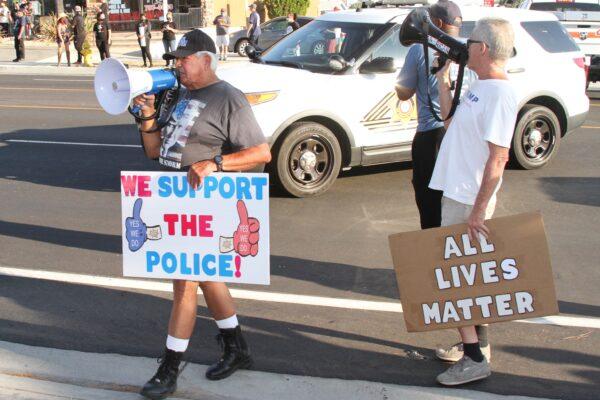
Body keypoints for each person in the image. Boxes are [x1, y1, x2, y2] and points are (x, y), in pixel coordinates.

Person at [132, 29, 271, 400]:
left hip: (207, 205)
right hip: (178, 201)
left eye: (184, 59)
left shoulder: (229, 98)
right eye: (176, 59)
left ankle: (169, 368)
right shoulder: (177, 95)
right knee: (208, 279)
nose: (178, 65)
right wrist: (147, 116)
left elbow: (261, 153)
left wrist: (217, 162)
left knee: (184, 285)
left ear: (206, 61)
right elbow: (154, 152)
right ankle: (237, 348)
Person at [429, 18, 518, 386]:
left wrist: (479, 210)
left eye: (471, 40)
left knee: (456, 282)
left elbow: (499, 158)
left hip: (468, 200)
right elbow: (451, 125)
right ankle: (473, 345)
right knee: (464, 280)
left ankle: (475, 357)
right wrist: (444, 81)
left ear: (483, 49)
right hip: (458, 193)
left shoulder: (499, 93)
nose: (466, 44)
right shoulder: (482, 87)